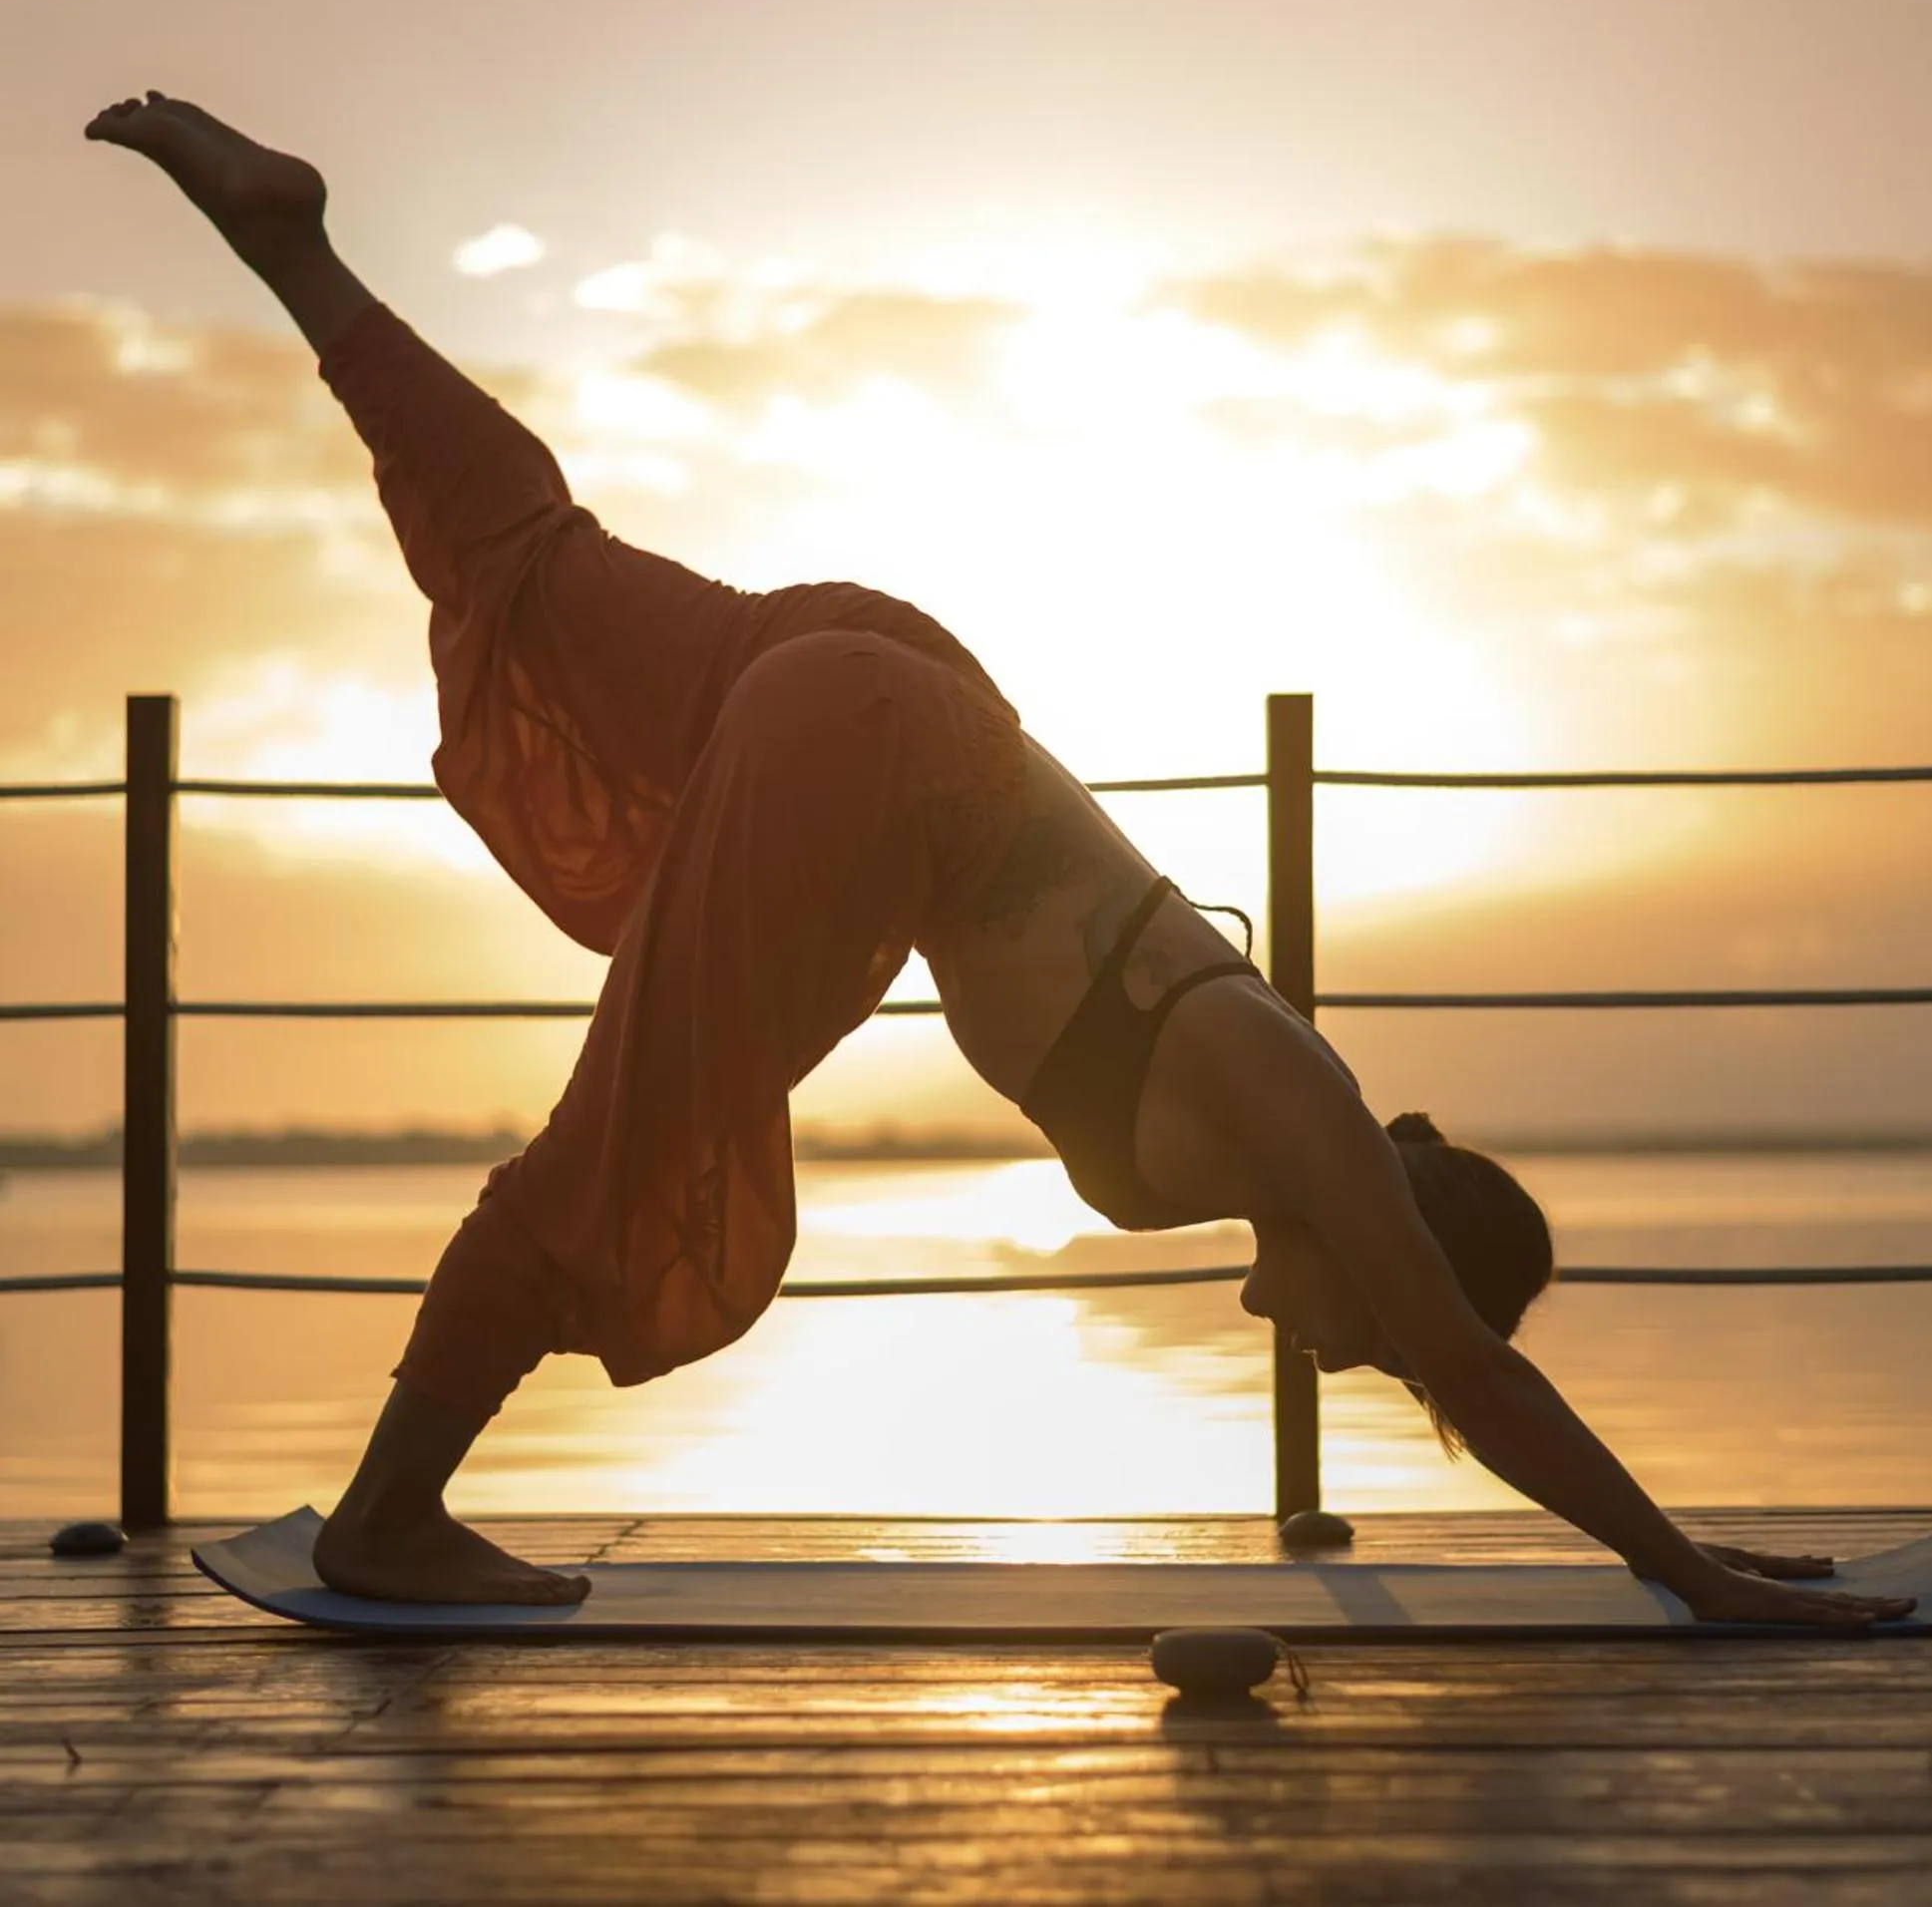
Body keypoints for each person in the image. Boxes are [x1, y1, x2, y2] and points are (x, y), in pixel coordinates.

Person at [86, 92, 1914, 1632]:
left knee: (537, 570)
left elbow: (1459, 1358)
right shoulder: (1301, 1107)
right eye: (1375, 1338)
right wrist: (1692, 1577)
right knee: (625, 1144)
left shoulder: (1278, 1114)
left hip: (876, 697)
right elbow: (1479, 1370)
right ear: (1396, 1251)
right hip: (885, 765)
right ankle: (386, 1519)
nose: (1345, 1358)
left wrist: (1677, 1551)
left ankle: (291, 249)